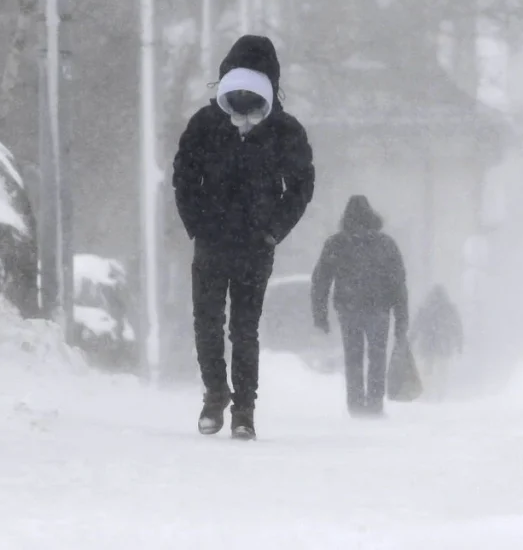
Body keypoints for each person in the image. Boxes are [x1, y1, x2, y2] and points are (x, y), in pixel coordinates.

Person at [172, 35, 315, 440]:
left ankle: (243, 408)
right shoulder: (205, 124)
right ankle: (217, 396)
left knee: (241, 327)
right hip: (215, 240)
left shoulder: (284, 131)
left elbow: (301, 186)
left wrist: (272, 231)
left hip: (253, 244)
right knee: (210, 322)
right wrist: (198, 224)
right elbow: (184, 177)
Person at [311, 196, 408, 418]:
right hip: (379, 309)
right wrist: (401, 318)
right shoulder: (385, 244)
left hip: (349, 309)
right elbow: (398, 283)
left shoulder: (336, 243)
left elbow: (321, 280)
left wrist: (320, 315)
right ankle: (374, 403)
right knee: (377, 356)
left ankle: (355, 404)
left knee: (353, 356)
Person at [409, 285, 464, 397]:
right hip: (443, 345)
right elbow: (457, 327)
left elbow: (416, 326)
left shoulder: (425, 308)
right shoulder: (449, 309)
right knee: (442, 370)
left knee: (428, 371)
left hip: (428, 345)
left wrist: (411, 341)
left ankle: (428, 393)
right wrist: (459, 344)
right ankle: (440, 393)